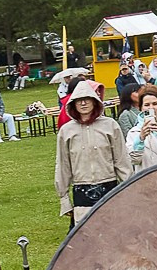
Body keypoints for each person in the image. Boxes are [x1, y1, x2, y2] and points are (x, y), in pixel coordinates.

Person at [54, 79, 127, 227]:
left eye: (87, 99)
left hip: (109, 186)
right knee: (84, 238)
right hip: (82, 190)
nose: (83, 103)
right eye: (79, 100)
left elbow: (121, 160)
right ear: (73, 103)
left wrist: (129, 189)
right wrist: (64, 199)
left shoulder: (110, 125)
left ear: (95, 101)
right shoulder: (66, 131)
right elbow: (63, 165)